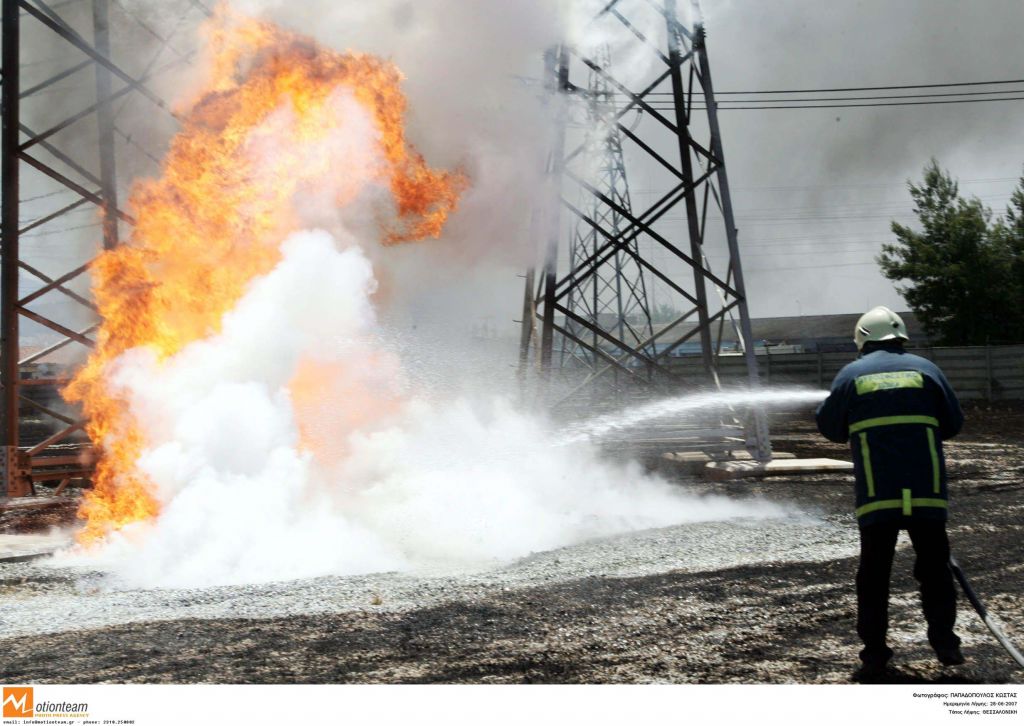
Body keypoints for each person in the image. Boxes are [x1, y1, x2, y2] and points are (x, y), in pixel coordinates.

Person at [815, 306, 965, 680]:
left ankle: (875, 656)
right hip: (926, 490)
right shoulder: (927, 370)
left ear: (861, 339)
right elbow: (953, 423)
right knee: (935, 570)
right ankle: (946, 644)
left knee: (874, 576)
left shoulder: (851, 375)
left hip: (877, 493)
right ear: (900, 336)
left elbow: (830, 428)